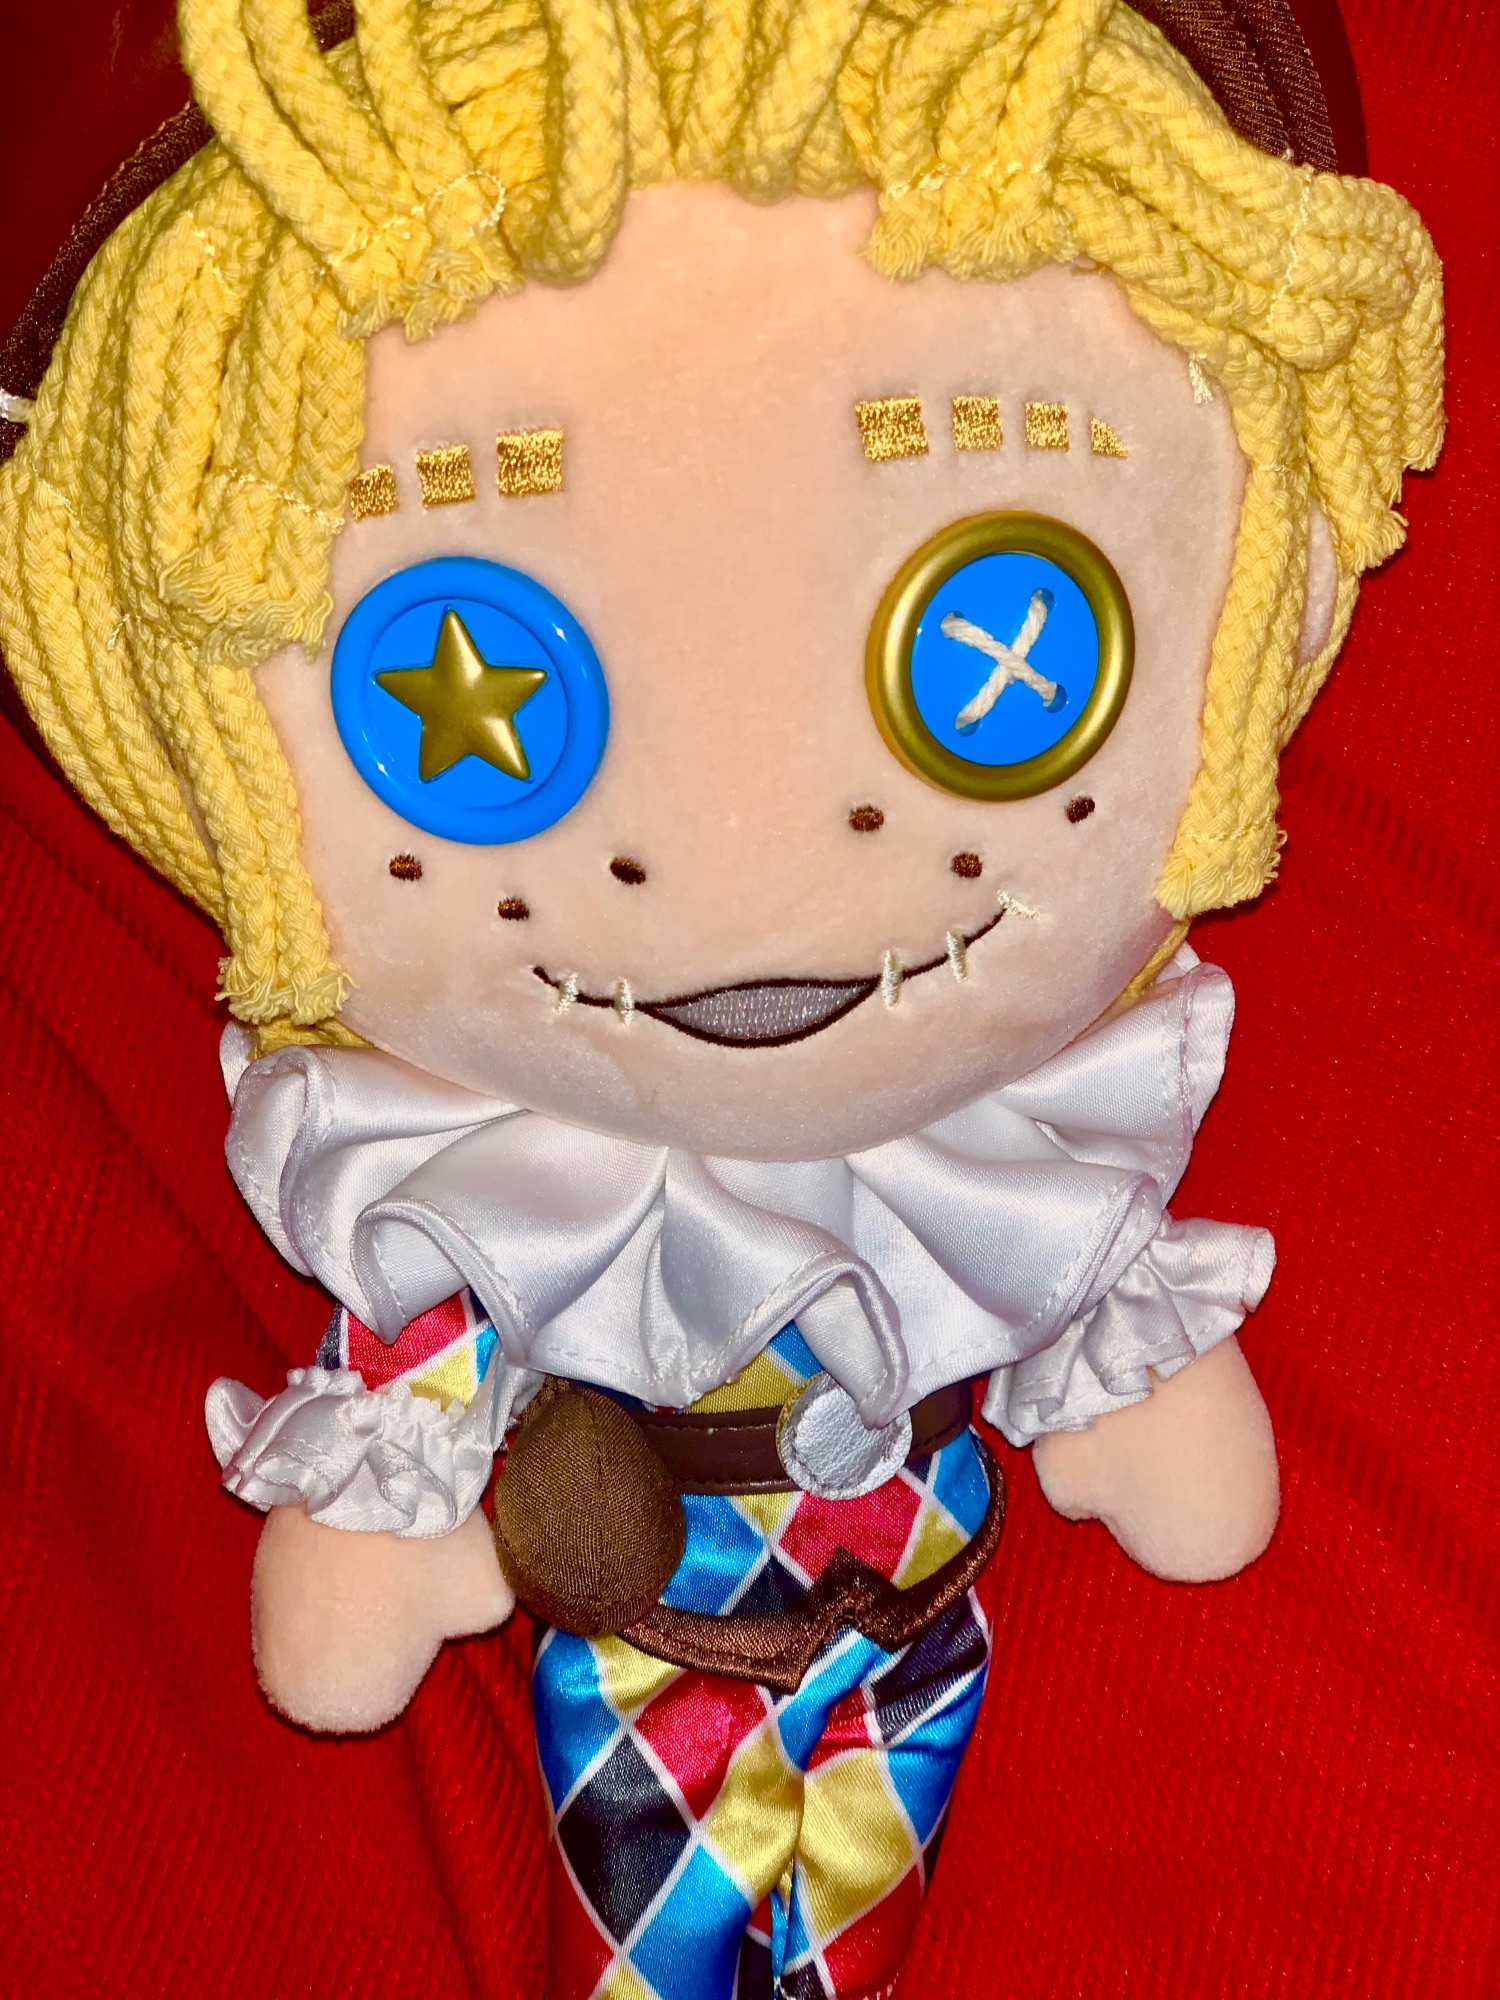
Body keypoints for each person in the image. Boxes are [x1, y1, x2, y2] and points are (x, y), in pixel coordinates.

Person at [0, 2, 1442, 1994]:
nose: (748, 846)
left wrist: (1128, 1381)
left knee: (872, 1885)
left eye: (987, 652)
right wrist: (393, 1517)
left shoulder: (1021, 1142)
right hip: (641, 1648)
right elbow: (426, 1359)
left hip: (908, 1620)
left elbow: (1079, 1262)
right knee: (655, 1928)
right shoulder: (494, 1190)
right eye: (484, 709)